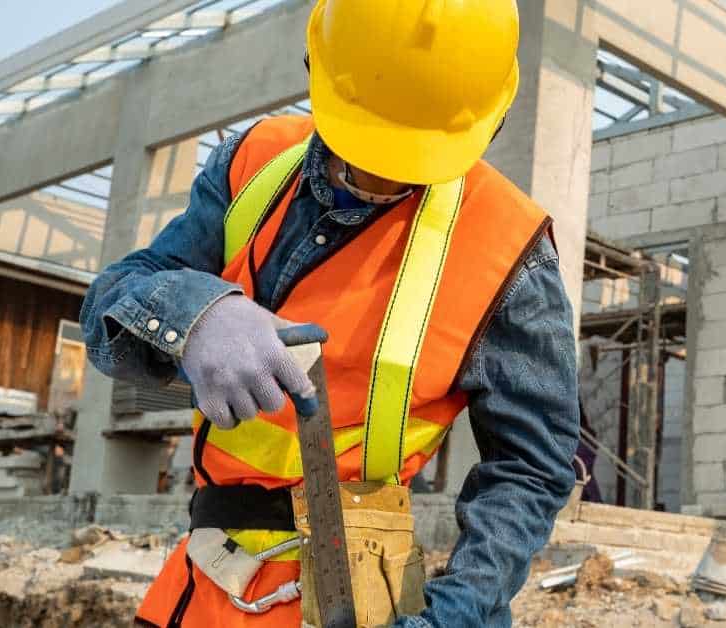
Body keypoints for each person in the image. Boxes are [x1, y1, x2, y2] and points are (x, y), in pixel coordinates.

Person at [80, 1, 580, 626]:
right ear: (315, 66)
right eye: (367, 142)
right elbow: (109, 304)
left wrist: (452, 616)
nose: (380, 175)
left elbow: (531, 468)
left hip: (359, 601)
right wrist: (193, 313)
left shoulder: (509, 250)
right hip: (206, 585)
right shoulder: (252, 163)